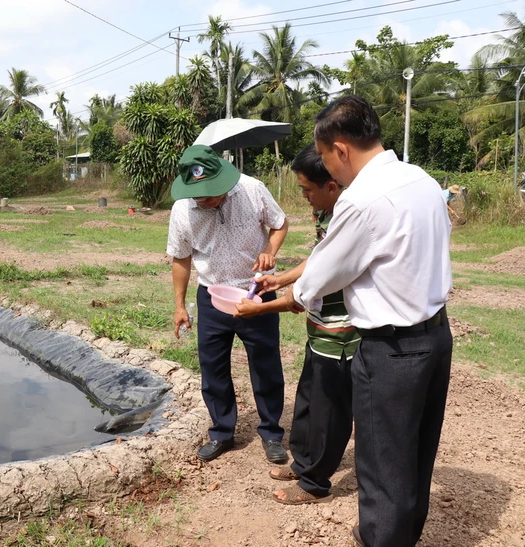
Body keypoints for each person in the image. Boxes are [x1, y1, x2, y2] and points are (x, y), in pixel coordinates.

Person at [277, 96, 452, 547]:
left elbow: (319, 277)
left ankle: (381, 538)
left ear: (341, 149)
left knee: (382, 464)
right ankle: (400, 534)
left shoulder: (361, 200)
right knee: (414, 452)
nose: (329, 174)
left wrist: (280, 294)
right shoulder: (422, 179)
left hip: (391, 350)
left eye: (327, 162)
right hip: (436, 336)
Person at [235, 143, 360, 506]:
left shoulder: (348, 218)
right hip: (320, 329)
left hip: (341, 334)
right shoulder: (327, 213)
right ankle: (304, 461)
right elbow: (319, 258)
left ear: (331, 186)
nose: (303, 196)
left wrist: (262, 307)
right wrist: (280, 279)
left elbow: (319, 284)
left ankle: (315, 481)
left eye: (307, 189)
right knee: (307, 401)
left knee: (329, 410)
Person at [166, 144, 290, 464]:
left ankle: (271, 433)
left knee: (265, 365)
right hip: (211, 298)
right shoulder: (182, 210)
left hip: (256, 293)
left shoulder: (252, 189)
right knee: (213, 368)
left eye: (211, 193)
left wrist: (270, 252)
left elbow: (279, 224)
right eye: (200, 196)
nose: (206, 200)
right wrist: (180, 306)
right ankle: (222, 431)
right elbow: (180, 258)